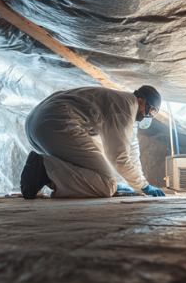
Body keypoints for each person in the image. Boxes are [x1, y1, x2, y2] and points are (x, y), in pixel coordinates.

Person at [19, 85, 167, 199]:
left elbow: (132, 151)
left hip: (37, 123)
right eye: (151, 111)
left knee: (96, 172)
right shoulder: (127, 106)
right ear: (141, 100)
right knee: (107, 184)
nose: (149, 116)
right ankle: (44, 170)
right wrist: (143, 186)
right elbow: (120, 157)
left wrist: (141, 185)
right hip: (57, 122)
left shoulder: (123, 107)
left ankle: (44, 172)